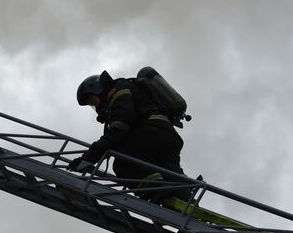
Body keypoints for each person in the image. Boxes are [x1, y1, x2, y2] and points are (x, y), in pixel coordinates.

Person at [68, 71, 197, 204]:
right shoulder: (126, 88)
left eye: (93, 100)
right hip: (167, 134)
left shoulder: (118, 91)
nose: (95, 106)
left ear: (98, 89)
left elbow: (118, 129)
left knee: (123, 164)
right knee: (170, 171)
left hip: (151, 133)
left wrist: (87, 158)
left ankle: (159, 191)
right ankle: (188, 201)